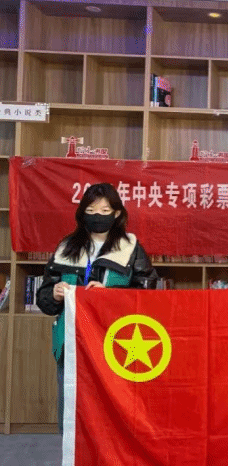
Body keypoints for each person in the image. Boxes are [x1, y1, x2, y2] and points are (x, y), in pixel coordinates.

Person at [36, 182, 158, 433]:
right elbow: (44, 298)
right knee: (72, 407)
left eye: (104, 211)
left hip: (116, 341)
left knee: (111, 411)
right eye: (91, 210)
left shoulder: (130, 248)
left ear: (117, 213)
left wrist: (110, 296)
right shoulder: (67, 246)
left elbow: (147, 295)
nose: (97, 216)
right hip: (72, 340)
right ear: (82, 213)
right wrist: (54, 294)